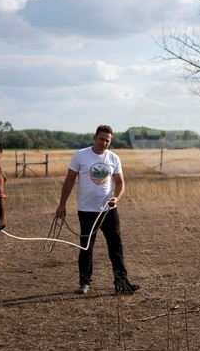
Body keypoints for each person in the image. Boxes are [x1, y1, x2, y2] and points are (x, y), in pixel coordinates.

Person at [56, 125, 140, 295]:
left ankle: (121, 282)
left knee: (116, 245)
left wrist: (116, 198)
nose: (104, 143)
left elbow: (120, 182)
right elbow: (70, 180)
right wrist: (62, 204)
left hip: (108, 210)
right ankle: (84, 283)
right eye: (101, 139)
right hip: (86, 210)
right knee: (86, 246)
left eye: (107, 140)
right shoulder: (80, 155)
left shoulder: (113, 158)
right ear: (95, 138)